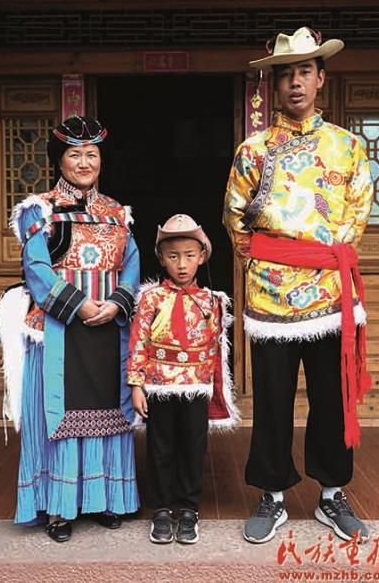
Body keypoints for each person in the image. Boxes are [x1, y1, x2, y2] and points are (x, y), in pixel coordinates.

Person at [223, 27, 374, 544]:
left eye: (304, 71)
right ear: (273, 83)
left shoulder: (348, 147)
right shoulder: (254, 149)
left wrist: (320, 260)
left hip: (330, 292)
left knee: (332, 398)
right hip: (271, 293)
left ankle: (331, 493)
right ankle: (272, 494)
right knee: (273, 400)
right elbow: (235, 217)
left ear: (321, 78)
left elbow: (356, 214)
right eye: (285, 73)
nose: (295, 82)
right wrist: (269, 263)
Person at [0, 116, 140, 542]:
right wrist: (79, 305)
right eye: (75, 154)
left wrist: (117, 303)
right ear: (59, 160)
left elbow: (131, 265)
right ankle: (58, 509)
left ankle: (106, 500)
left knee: (110, 414)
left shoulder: (117, 213)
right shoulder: (39, 209)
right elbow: (36, 268)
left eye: (92, 154)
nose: (84, 163)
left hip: (108, 327)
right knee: (57, 417)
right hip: (58, 328)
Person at [127, 214, 239, 544]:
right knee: (160, 448)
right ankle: (162, 508)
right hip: (159, 386)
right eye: (173, 256)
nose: (181, 264)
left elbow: (217, 350)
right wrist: (136, 385)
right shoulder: (150, 299)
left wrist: (216, 390)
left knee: (193, 447)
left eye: (189, 255)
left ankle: (189, 508)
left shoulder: (211, 301)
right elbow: (138, 342)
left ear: (202, 256)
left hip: (196, 387)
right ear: (161, 258)